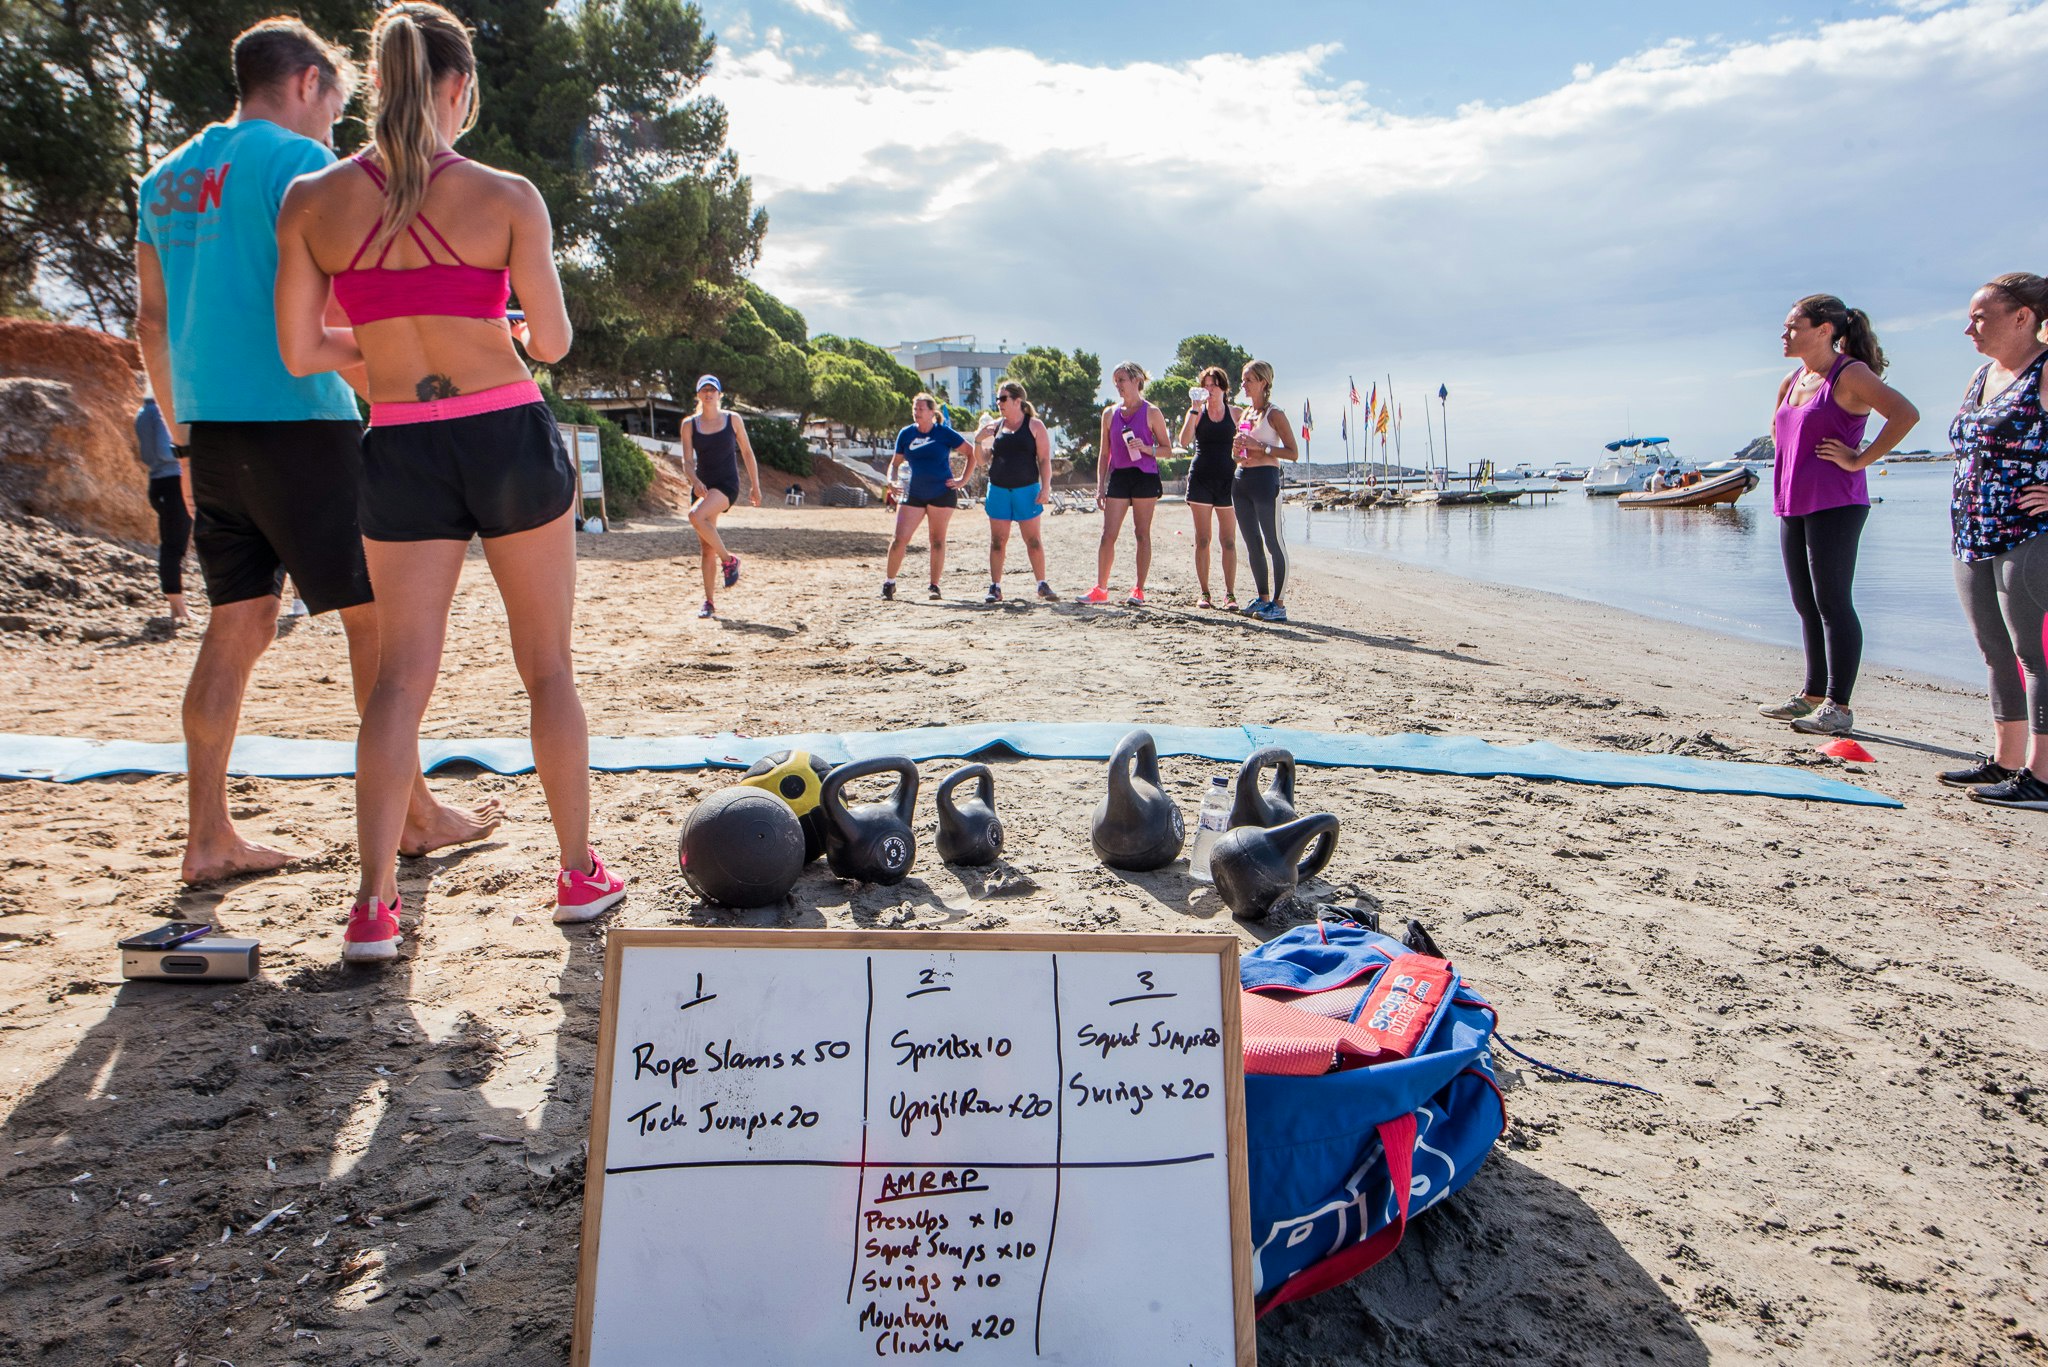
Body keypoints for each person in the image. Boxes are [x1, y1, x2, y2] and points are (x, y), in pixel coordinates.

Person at [275, 0, 625, 961]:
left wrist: (389, 343)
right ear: (459, 88)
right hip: (505, 431)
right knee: (547, 665)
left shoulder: (312, 202)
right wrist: (492, 333)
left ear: (380, 82)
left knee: (399, 677)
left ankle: (375, 907)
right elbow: (551, 343)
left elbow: (301, 348)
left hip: (400, 442)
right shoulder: (507, 195)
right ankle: (577, 873)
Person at [134, 16, 497, 888]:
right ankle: (413, 812)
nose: (336, 133)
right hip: (304, 418)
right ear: (304, 83)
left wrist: (182, 437)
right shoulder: (300, 168)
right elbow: (352, 303)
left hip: (210, 431)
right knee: (377, 625)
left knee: (237, 624)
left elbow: (151, 324)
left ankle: (208, 833)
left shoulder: (165, 179)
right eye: (335, 110)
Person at [1756, 294, 1918, 737]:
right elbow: (1779, 431)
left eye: (1793, 326)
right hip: (1792, 503)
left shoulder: (1850, 374)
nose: (1784, 334)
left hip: (1837, 504)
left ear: (1824, 329)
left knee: (1833, 603)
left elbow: (1905, 414)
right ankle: (1810, 695)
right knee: (1805, 603)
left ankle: (1838, 707)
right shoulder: (1791, 379)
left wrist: (1860, 458)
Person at [1940, 272, 2048, 810]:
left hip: (2031, 535)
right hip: (1973, 531)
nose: (1969, 329)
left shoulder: (2046, 370)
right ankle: (2008, 761)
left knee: (2036, 654)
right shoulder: (1982, 375)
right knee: (1994, 649)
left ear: (2022, 316)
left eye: (1979, 317)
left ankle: (2042, 775)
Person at [1085, 361, 1170, 606]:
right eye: (1115, 382)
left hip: (1145, 476)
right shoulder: (1109, 414)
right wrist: (1100, 486)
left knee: (1141, 533)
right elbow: (1104, 453)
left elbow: (1167, 450)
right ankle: (1101, 588)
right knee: (1107, 534)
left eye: (1122, 380)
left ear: (1136, 380)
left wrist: (1146, 448)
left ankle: (1138, 590)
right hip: (1119, 476)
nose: (1118, 386)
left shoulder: (1152, 412)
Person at [680, 374, 762, 619]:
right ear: (698, 395)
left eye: (712, 390)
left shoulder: (732, 420)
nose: (708, 394)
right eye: (703, 390)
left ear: (719, 394)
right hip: (702, 486)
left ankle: (729, 560)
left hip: (726, 485)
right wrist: (694, 482)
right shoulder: (689, 424)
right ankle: (709, 602)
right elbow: (686, 461)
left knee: (695, 515)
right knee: (706, 548)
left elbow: (747, 452)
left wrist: (755, 486)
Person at [882, 393, 973, 599]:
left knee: (937, 540)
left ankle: (934, 586)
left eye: (921, 409)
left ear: (932, 412)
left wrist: (962, 480)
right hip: (913, 493)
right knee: (899, 539)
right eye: (915, 409)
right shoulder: (906, 434)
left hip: (942, 493)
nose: (917, 412)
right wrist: (891, 480)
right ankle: (889, 583)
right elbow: (895, 464)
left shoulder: (944, 433)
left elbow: (971, 452)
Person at [975, 380, 1057, 604]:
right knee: (997, 541)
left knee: (1033, 540)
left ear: (1017, 401)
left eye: (1003, 399)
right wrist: (977, 440)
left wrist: (1046, 487)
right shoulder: (995, 427)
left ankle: (1041, 584)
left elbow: (1044, 460)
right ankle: (996, 587)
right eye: (998, 399)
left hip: (1027, 490)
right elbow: (982, 460)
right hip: (999, 490)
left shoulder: (1035, 426)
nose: (998, 403)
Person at [1232, 359, 1301, 622]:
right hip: (1241, 480)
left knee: (1274, 542)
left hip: (1265, 480)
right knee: (1252, 544)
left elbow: (1293, 453)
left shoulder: (1275, 414)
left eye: (1248, 380)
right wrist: (1237, 450)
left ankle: (1278, 604)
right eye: (1242, 379)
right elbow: (1236, 453)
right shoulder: (1246, 414)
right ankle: (1262, 599)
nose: (1243, 385)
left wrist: (1262, 448)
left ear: (1263, 382)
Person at [1177, 365, 1239, 609]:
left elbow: (1247, 442)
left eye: (1214, 385)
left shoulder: (1235, 413)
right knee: (1203, 539)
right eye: (1205, 385)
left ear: (1224, 388)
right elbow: (1183, 441)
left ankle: (1230, 594)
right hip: (1201, 479)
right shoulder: (1197, 413)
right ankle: (1204, 593)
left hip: (1228, 480)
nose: (1209, 390)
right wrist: (1195, 408)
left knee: (1229, 541)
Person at [133, 377, 191, 623]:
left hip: (158, 483)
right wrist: (188, 453)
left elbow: (148, 455)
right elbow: (163, 450)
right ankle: (178, 608)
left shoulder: (143, 412)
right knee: (174, 546)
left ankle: (177, 606)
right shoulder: (159, 412)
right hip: (172, 483)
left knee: (172, 545)